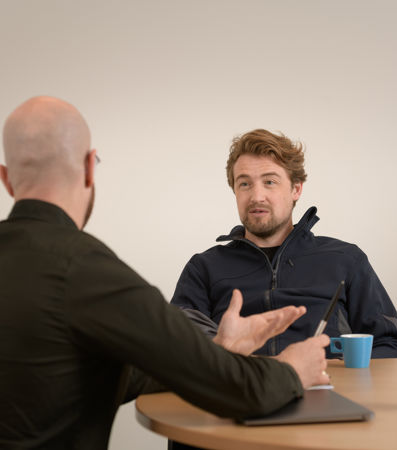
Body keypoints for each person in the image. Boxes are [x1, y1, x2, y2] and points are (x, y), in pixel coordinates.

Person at [0, 98, 330, 450]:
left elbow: (88, 374)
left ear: (6, 179)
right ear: (89, 168)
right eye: (245, 183)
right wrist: (292, 370)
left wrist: (216, 349)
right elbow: (233, 390)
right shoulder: (88, 272)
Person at [171, 129, 397, 358]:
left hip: (326, 385)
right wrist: (223, 351)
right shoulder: (203, 268)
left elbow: (392, 346)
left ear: (296, 189)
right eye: (244, 184)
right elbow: (176, 349)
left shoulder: (346, 259)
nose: (256, 196)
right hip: (240, 385)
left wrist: (335, 369)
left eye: (270, 182)